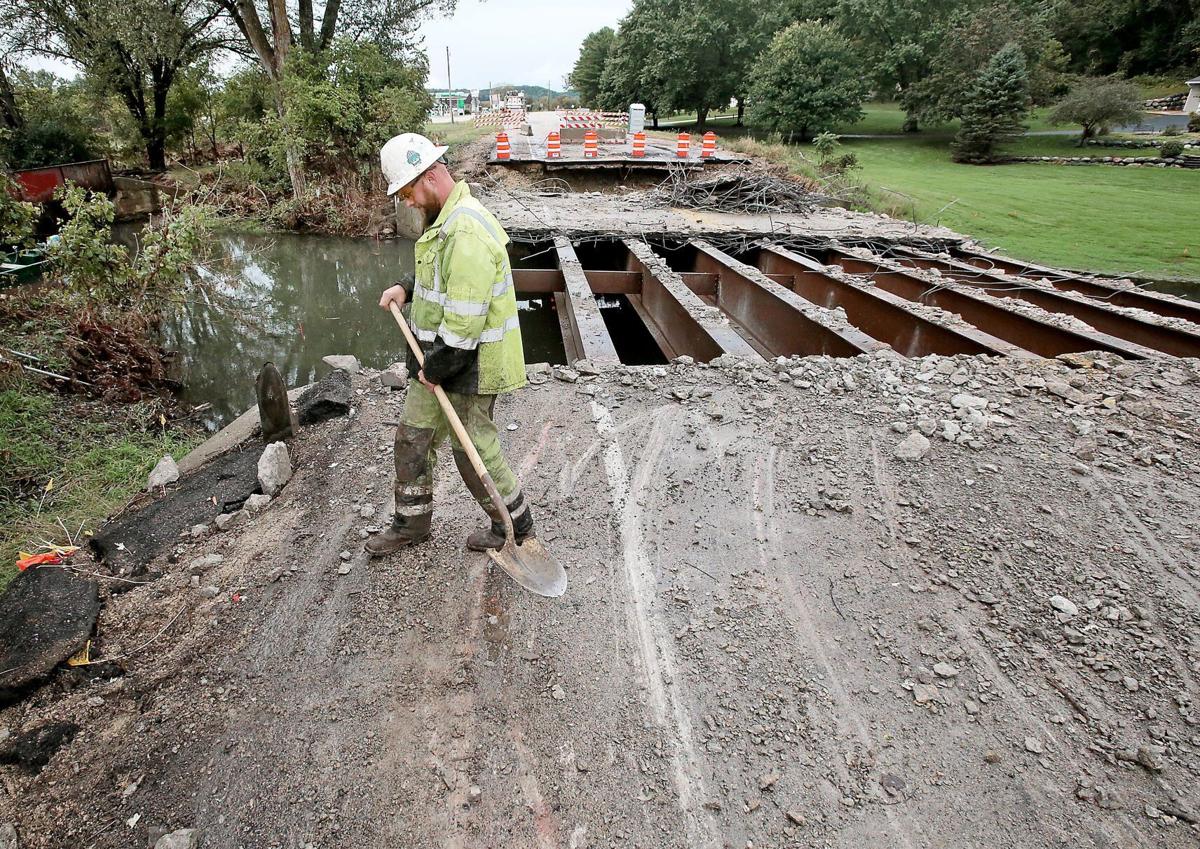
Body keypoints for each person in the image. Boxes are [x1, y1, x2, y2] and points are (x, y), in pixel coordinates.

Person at [365, 133, 534, 556]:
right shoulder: (446, 220)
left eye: (407, 192)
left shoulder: (466, 230)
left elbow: (463, 326)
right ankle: (411, 523)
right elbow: (440, 278)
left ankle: (514, 523)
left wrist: (433, 369)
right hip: (438, 360)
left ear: (430, 176)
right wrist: (406, 287)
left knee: (473, 449)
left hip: (470, 363)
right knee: (411, 438)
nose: (407, 202)